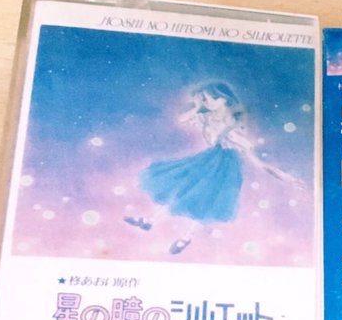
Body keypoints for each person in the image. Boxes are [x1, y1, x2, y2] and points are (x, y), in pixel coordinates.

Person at [124, 80, 302, 255]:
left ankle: (186, 237)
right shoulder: (207, 116)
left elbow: (257, 160)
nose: (204, 103)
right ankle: (149, 220)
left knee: (207, 203)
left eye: (207, 99)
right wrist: (197, 105)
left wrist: (286, 177)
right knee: (182, 189)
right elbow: (183, 118)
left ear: (222, 99)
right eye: (202, 100)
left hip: (225, 171)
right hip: (208, 161)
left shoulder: (234, 128)